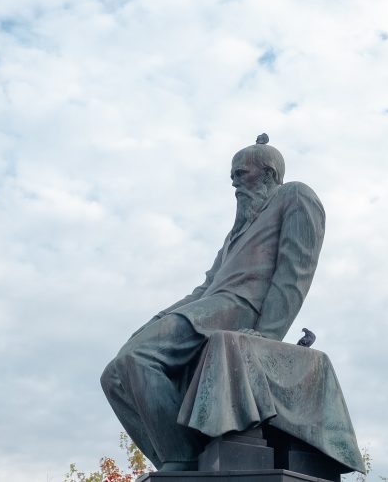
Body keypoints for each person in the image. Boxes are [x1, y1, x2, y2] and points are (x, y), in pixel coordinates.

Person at [100, 134, 326, 471]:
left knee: (139, 358)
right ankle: (176, 455)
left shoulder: (295, 195)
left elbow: (296, 269)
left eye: (241, 173)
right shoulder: (235, 233)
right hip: (211, 307)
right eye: (232, 174)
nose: (233, 181)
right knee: (116, 374)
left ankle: (182, 456)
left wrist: (267, 333)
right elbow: (203, 288)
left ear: (267, 174)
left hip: (240, 308)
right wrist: (160, 318)